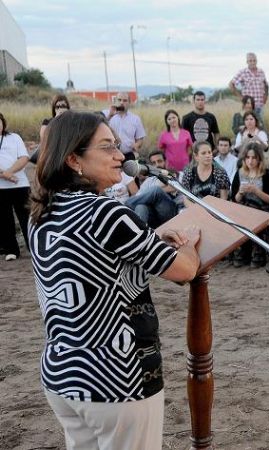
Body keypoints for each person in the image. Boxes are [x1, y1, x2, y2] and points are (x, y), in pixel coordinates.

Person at [28, 111, 200, 449]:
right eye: (107, 148)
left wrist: (150, 243)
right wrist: (190, 244)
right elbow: (185, 270)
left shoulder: (42, 213)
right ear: (73, 159)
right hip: (115, 378)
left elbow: (98, 266)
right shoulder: (105, 213)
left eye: (118, 146)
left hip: (62, 374)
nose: (121, 156)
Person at [231, 142, 269, 268]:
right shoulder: (240, 173)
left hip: (262, 208)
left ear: (259, 159)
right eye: (247, 158)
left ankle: (258, 253)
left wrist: (256, 191)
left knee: (253, 215)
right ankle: (242, 252)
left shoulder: (266, 174)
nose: (250, 161)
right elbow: (234, 199)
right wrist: (240, 193)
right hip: (244, 208)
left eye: (254, 158)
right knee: (236, 217)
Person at [0, 112, 31, 261]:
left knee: (27, 217)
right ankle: (11, 250)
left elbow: (24, 157)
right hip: (1, 188)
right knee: (5, 220)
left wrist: (9, 172)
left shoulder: (14, 138)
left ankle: (33, 247)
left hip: (20, 184)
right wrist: (5, 176)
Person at [125, 150, 183, 228]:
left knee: (156, 190)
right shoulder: (149, 181)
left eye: (159, 161)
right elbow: (139, 197)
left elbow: (176, 188)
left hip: (172, 211)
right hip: (154, 218)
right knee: (140, 206)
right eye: (153, 163)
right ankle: (140, 234)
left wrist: (156, 193)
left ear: (166, 162)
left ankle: (126, 206)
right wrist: (161, 191)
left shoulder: (176, 174)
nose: (157, 165)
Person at [180, 141, 230, 207]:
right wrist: (196, 211)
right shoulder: (189, 172)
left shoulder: (220, 173)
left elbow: (223, 199)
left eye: (209, 152)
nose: (208, 155)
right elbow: (185, 197)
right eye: (203, 153)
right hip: (194, 209)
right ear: (196, 156)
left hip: (216, 210)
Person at [108, 92, 145, 161]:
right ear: (115, 101)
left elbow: (140, 138)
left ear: (129, 103)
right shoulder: (109, 115)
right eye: (119, 100)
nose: (122, 102)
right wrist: (110, 116)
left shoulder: (135, 119)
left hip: (129, 155)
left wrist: (136, 145)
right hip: (112, 155)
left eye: (125, 100)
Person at [229, 52, 268, 117]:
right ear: (247, 62)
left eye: (254, 60)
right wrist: (241, 97)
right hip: (248, 106)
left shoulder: (261, 72)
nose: (252, 62)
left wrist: (266, 96)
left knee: (260, 125)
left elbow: (266, 85)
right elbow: (231, 84)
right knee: (248, 125)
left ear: (256, 61)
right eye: (250, 61)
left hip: (260, 105)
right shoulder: (242, 72)